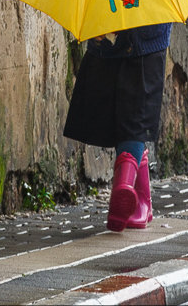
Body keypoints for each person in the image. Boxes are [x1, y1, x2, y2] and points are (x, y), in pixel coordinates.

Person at [62, 22, 171, 231]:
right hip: (106, 41)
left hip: (146, 37)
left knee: (136, 113)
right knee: (115, 113)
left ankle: (124, 186)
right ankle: (140, 199)